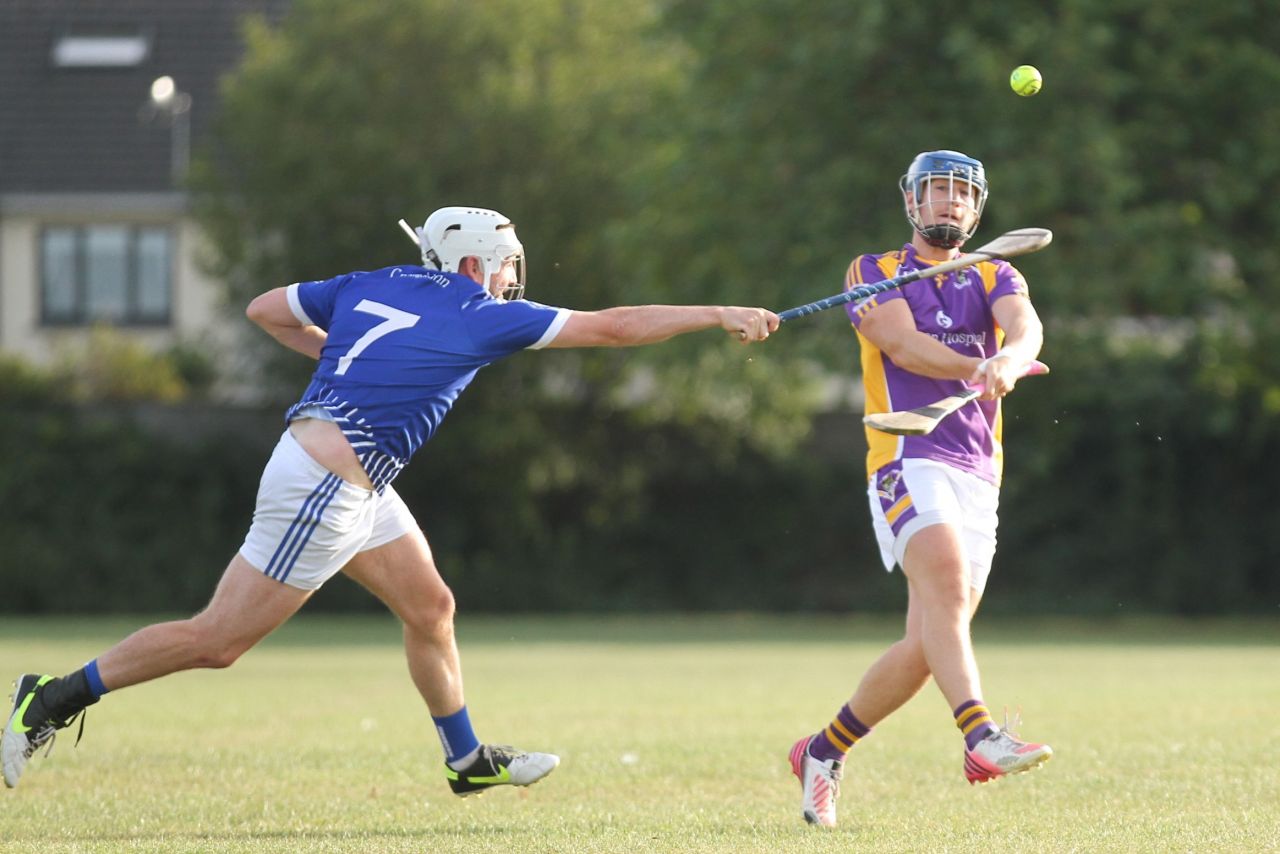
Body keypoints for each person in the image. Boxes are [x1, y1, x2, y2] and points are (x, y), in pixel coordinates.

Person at [4, 206, 780, 795]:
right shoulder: (480, 312)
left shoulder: (375, 280)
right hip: (323, 487)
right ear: (473, 263)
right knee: (218, 641)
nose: (513, 277)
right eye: (507, 264)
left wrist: (335, 358)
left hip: (353, 477)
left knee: (431, 608)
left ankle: (467, 760)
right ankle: (52, 696)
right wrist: (717, 314)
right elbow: (614, 329)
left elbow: (264, 309)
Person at [787, 151, 1052, 827]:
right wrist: (977, 365)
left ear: (977, 209)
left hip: (977, 468)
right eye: (937, 192)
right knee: (943, 582)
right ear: (911, 203)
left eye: (962, 194)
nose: (950, 204)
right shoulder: (872, 271)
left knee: (933, 639)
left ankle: (821, 750)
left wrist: (1011, 359)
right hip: (906, 453)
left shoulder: (996, 270)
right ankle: (981, 737)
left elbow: (1025, 326)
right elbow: (902, 346)